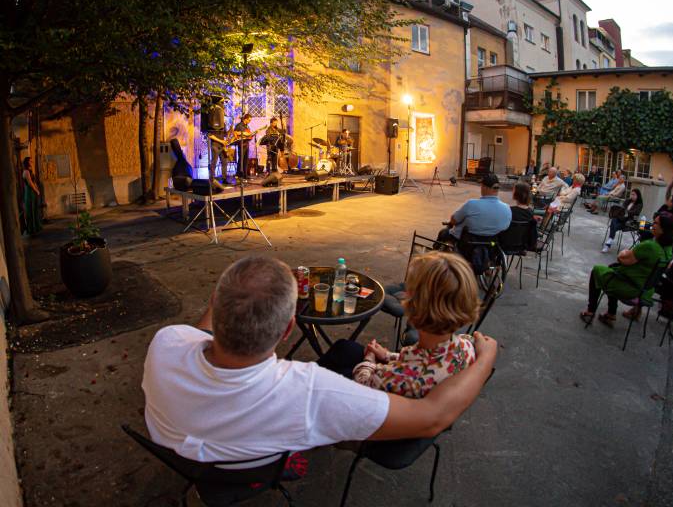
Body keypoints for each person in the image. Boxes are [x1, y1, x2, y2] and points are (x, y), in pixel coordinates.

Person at [142, 255, 497, 463]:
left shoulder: (166, 341)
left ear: (215, 305)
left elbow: (201, 331)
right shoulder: (311, 392)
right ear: (288, 329)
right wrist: (485, 360)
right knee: (345, 354)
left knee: (343, 351)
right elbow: (432, 418)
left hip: (186, 461)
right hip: (255, 467)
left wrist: (230, 292)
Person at [319, 252, 478, 398]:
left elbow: (363, 383)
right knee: (344, 347)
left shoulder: (403, 379)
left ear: (416, 305)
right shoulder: (465, 346)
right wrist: (387, 355)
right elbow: (420, 357)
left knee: (331, 373)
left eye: (409, 291)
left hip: (371, 397)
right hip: (414, 375)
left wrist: (369, 359)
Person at [580, 214, 673, 327]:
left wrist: (623, 252)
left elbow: (622, 259)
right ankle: (610, 314)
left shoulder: (650, 246)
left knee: (598, 270)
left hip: (631, 288)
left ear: (663, 229)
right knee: (612, 270)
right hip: (646, 291)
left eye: (655, 223)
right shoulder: (668, 250)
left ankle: (590, 311)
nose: (652, 225)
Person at [437, 173, 511, 246]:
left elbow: (454, 220)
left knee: (443, 233)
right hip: (491, 245)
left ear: (484, 187)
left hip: (467, 245)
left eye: (481, 186)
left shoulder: (472, 204)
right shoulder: (507, 209)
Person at [602, 188, 643, 253]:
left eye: (634, 195)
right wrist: (624, 212)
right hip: (621, 218)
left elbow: (636, 212)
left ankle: (609, 242)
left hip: (628, 221)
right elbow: (622, 208)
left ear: (638, 196)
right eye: (631, 194)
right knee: (614, 220)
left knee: (613, 226)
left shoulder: (640, 204)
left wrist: (626, 212)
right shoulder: (628, 201)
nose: (632, 196)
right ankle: (609, 241)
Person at [21, 157, 42, 235]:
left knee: (34, 209)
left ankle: (36, 228)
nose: (32, 162)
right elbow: (30, 183)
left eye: (32, 161)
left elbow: (34, 181)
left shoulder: (30, 170)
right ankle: (31, 229)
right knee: (30, 209)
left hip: (33, 191)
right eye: (30, 161)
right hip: (29, 192)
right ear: (27, 162)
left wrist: (37, 188)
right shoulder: (26, 172)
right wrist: (36, 190)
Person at [232, 113, 253, 178]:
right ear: (245, 119)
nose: (249, 121)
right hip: (241, 144)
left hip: (246, 144)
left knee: (246, 160)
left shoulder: (247, 126)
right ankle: (239, 174)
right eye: (249, 120)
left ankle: (245, 175)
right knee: (241, 159)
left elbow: (248, 134)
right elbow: (234, 132)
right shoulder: (239, 125)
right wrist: (243, 133)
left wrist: (251, 135)